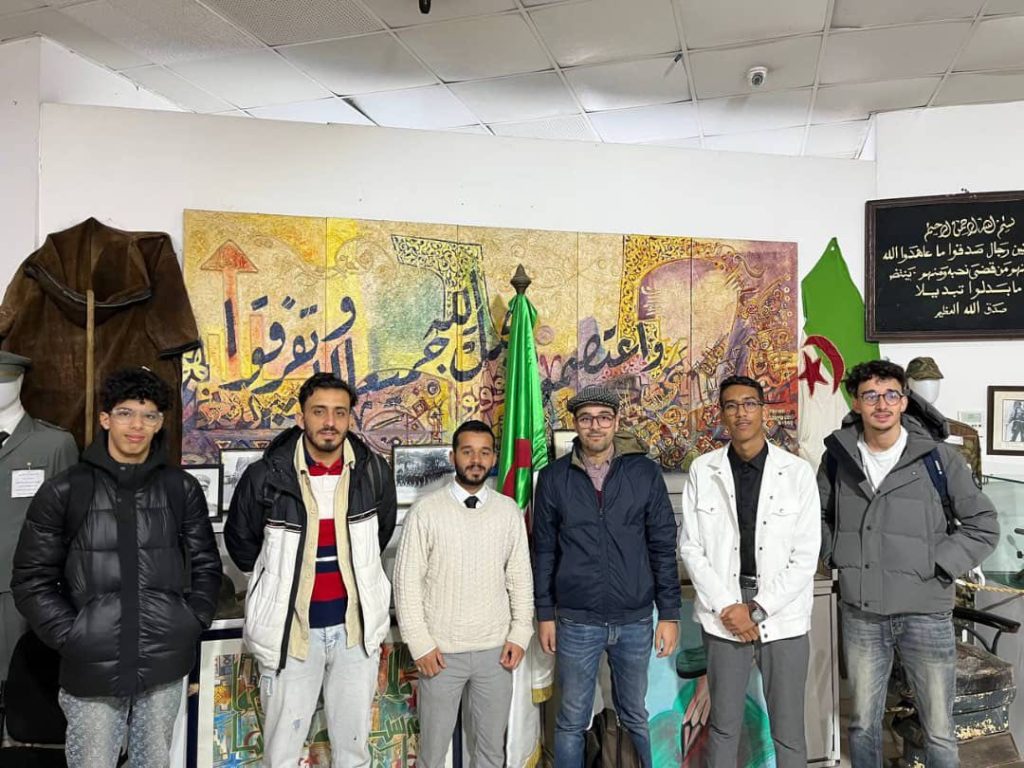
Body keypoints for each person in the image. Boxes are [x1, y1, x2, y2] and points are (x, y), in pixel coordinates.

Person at [11, 367, 222, 768]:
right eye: (125, 413)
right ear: (106, 419)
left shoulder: (180, 488)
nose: (136, 426)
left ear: (160, 423)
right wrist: (73, 635)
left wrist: (190, 621)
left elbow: (205, 565)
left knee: (153, 761)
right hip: (92, 665)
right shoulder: (65, 490)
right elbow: (31, 580)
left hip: (164, 660)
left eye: (148, 415)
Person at [820, 360, 998, 768]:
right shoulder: (838, 458)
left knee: (939, 729)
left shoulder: (938, 458)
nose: (881, 404)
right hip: (863, 613)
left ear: (904, 401)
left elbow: (983, 524)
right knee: (863, 724)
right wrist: (837, 555)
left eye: (891, 394)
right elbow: (819, 517)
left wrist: (939, 564)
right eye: (870, 395)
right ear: (856, 402)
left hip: (926, 611)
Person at [224, 372, 396, 768]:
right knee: (282, 752)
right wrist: (276, 583)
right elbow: (242, 545)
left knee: (354, 751)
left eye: (340, 412)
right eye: (319, 412)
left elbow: (379, 535)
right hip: (291, 636)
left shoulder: (372, 473)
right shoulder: (266, 476)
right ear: (301, 417)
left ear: (351, 418)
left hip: (354, 635)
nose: (330, 422)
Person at [533, 384, 680, 768]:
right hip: (576, 621)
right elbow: (544, 551)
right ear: (575, 424)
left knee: (635, 716)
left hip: (635, 619)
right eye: (586, 419)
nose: (595, 426)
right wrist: (545, 614)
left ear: (616, 422)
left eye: (603, 418)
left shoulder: (644, 474)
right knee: (571, 721)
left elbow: (662, 545)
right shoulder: (554, 478)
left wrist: (669, 614)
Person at [678, 375, 820, 768]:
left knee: (788, 731)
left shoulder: (797, 472)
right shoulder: (703, 470)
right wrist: (729, 607)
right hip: (723, 611)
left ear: (763, 411)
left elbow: (806, 556)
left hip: (780, 611)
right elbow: (691, 546)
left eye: (749, 404)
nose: (741, 413)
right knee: (724, 726)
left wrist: (755, 609)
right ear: (721, 414)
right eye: (731, 405)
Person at [393, 420, 533, 768]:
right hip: (440, 655)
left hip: (495, 653)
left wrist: (520, 633)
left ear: (494, 458)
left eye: (484, 453)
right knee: (432, 753)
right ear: (452, 456)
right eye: (468, 452)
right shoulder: (426, 512)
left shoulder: (508, 511)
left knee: (490, 753)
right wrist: (420, 643)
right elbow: (406, 582)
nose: (476, 460)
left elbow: (520, 578)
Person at [0, 351, 78, 681]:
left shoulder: (53, 444)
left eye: (2, 381)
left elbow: (71, 522)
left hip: (24, 588)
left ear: (19, 381)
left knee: (22, 680)